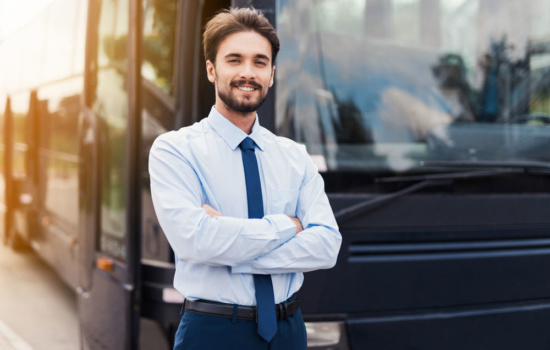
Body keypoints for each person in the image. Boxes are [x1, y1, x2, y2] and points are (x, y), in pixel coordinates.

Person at [149, 7, 342, 350]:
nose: (247, 73)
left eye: (259, 62)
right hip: (212, 332)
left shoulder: (294, 155)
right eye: (234, 60)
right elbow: (197, 242)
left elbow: (327, 246)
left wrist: (231, 246)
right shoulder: (175, 150)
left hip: (289, 332)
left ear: (271, 74)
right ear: (211, 69)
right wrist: (289, 225)